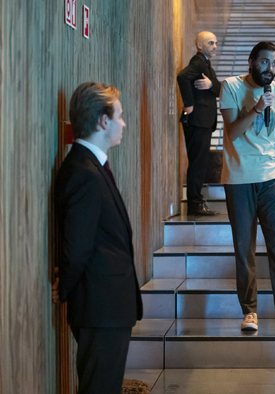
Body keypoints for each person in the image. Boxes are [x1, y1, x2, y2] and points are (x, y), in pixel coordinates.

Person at [53, 82, 143, 394]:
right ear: (102, 121)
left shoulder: (91, 165)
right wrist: (63, 284)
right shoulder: (83, 172)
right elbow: (77, 246)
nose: (123, 123)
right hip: (101, 308)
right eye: (119, 116)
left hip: (107, 307)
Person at [219, 42, 275, 331]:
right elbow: (231, 132)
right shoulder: (230, 87)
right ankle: (249, 312)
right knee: (244, 246)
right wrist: (256, 108)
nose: (271, 68)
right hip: (239, 177)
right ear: (252, 61)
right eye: (266, 62)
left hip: (270, 176)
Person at [177, 31, 221, 216]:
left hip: (203, 122)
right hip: (198, 121)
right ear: (199, 45)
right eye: (211, 43)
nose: (215, 46)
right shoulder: (199, 62)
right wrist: (189, 105)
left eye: (216, 43)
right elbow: (182, 77)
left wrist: (211, 85)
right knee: (198, 163)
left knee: (199, 162)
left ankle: (196, 202)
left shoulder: (206, 64)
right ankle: (195, 204)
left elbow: (219, 88)